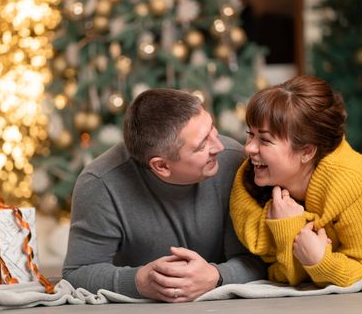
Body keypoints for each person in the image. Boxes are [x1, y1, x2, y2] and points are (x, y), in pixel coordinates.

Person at [63, 88, 266, 302]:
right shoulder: (100, 184)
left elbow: (262, 259)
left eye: (211, 128)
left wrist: (216, 276)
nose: (219, 145)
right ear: (161, 166)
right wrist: (139, 281)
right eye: (202, 144)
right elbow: (77, 272)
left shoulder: (235, 163)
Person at [229, 75, 362, 287]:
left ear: (307, 151)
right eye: (250, 134)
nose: (249, 148)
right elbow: (280, 273)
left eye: (264, 140)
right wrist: (288, 228)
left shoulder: (352, 180)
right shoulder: (249, 182)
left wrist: (320, 261)